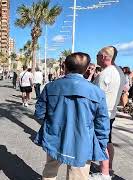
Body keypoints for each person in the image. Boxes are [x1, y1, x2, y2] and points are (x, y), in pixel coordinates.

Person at [35, 52, 110, 180]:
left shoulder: (50, 87)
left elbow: (39, 113)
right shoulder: (97, 92)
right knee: (78, 175)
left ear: (65, 66)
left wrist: (51, 126)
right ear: (87, 69)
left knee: (50, 169)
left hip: (55, 136)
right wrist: (101, 145)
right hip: (83, 141)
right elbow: (102, 124)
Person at [90, 46, 126, 180]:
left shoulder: (106, 73)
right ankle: (108, 168)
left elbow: (95, 96)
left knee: (102, 143)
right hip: (111, 113)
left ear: (104, 57)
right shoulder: (119, 71)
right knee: (108, 141)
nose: (96, 57)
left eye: (98, 55)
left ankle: (104, 174)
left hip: (102, 114)